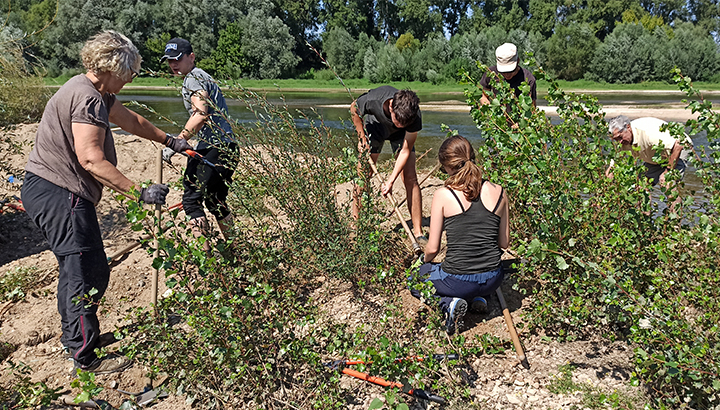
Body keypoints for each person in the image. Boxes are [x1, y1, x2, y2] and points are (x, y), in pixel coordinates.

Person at [21, 31, 192, 374]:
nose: (130, 78)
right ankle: (84, 358)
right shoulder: (87, 98)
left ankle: (78, 340)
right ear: (112, 67)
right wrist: (140, 192)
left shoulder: (94, 91)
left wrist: (171, 140)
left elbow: (132, 121)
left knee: (79, 269)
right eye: (129, 71)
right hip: (59, 192)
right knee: (86, 271)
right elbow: (91, 160)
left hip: (50, 189)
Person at [413, 135, 509, 335]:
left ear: (448, 167)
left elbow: (433, 248)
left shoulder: (444, 194)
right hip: (493, 279)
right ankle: (480, 297)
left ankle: (448, 303)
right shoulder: (500, 192)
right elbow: (504, 242)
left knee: (415, 279)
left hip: (458, 282)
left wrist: (423, 262)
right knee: (478, 277)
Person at [161, 38, 238, 250]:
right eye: (169, 61)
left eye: (177, 59)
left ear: (191, 57)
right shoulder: (202, 76)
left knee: (191, 201)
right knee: (215, 201)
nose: (173, 64)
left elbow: (201, 113)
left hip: (213, 148)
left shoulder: (193, 78)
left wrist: (178, 141)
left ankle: (206, 257)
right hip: (229, 148)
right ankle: (234, 248)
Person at [350, 86, 425, 242]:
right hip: (375, 126)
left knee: (410, 177)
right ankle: (355, 225)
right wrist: (361, 137)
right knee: (364, 174)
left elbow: (405, 151)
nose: (400, 124)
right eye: (398, 121)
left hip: (400, 137)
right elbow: (354, 108)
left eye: (404, 123)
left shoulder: (413, 116)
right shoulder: (373, 101)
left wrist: (391, 180)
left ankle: (418, 232)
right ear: (391, 107)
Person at [606, 116, 694, 186]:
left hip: (678, 147)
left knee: (667, 183)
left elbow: (678, 145)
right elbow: (615, 163)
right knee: (641, 186)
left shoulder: (648, 133)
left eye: (620, 137)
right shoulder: (623, 141)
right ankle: (645, 209)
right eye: (616, 139)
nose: (620, 141)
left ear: (628, 127)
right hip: (657, 156)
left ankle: (675, 209)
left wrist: (668, 171)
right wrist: (609, 178)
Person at [479, 43, 537, 109]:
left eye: (510, 71)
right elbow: (484, 96)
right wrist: (489, 110)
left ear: (518, 61)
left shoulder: (528, 79)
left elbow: (532, 107)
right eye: (503, 72)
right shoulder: (491, 74)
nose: (507, 75)